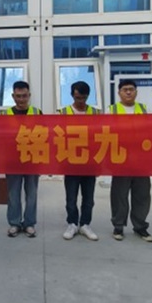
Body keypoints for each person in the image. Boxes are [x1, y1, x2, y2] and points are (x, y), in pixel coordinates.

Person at [108, 79, 152, 242]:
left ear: (136, 92)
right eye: (125, 89)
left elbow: (150, 132)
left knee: (142, 194)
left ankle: (140, 227)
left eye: (131, 89)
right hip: (120, 159)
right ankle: (118, 226)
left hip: (141, 159)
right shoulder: (112, 110)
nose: (128, 92)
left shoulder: (143, 109)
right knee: (119, 195)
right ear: (119, 92)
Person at [58, 81, 99, 242]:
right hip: (71, 161)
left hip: (90, 162)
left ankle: (85, 224)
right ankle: (72, 224)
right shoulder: (63, 112)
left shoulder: (96, 113)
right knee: (71, 198)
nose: (80, 101)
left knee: (88, 198)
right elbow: (57, 136)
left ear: (88, 96)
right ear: (72, 96)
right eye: (77, 98)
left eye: (83, 98)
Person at [4, 80, 42, 238]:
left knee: (31, 194)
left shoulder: (37, 112)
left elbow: (44, 136)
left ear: (29, 95)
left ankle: (29, 223)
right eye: (18, 96)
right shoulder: (6, 115)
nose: (21, 99)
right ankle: (14, 223)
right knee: (13, 194)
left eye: (24, 96)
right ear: (13, 96)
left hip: (32, 160)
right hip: (12, 161)